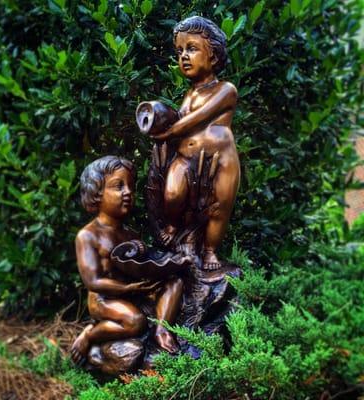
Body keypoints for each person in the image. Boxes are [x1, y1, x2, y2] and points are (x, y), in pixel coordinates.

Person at [71, 156, 183, 365]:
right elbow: (92, 282)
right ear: (96, 193)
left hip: (133, 292)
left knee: (174, 282)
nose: (128, 192)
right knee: (135, 321)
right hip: (105, 300)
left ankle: (161, 329)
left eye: (131, 186)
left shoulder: (131, 235)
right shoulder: (88, 236)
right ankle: (90, 334)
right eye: (118, 186)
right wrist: (128, 288)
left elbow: (141, 266)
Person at [154, 16, 240, 271]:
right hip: (185, 159)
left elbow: (194, 120)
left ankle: (211, 250)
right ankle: (173, 226)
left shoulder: (226, 90)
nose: (183, 56)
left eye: (191, 49)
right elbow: (180, 119)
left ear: (213, 56)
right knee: (171, 193)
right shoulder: (189, 93)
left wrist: (169, 131)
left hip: (221, 162)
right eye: (179, 51)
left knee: (218, 208)